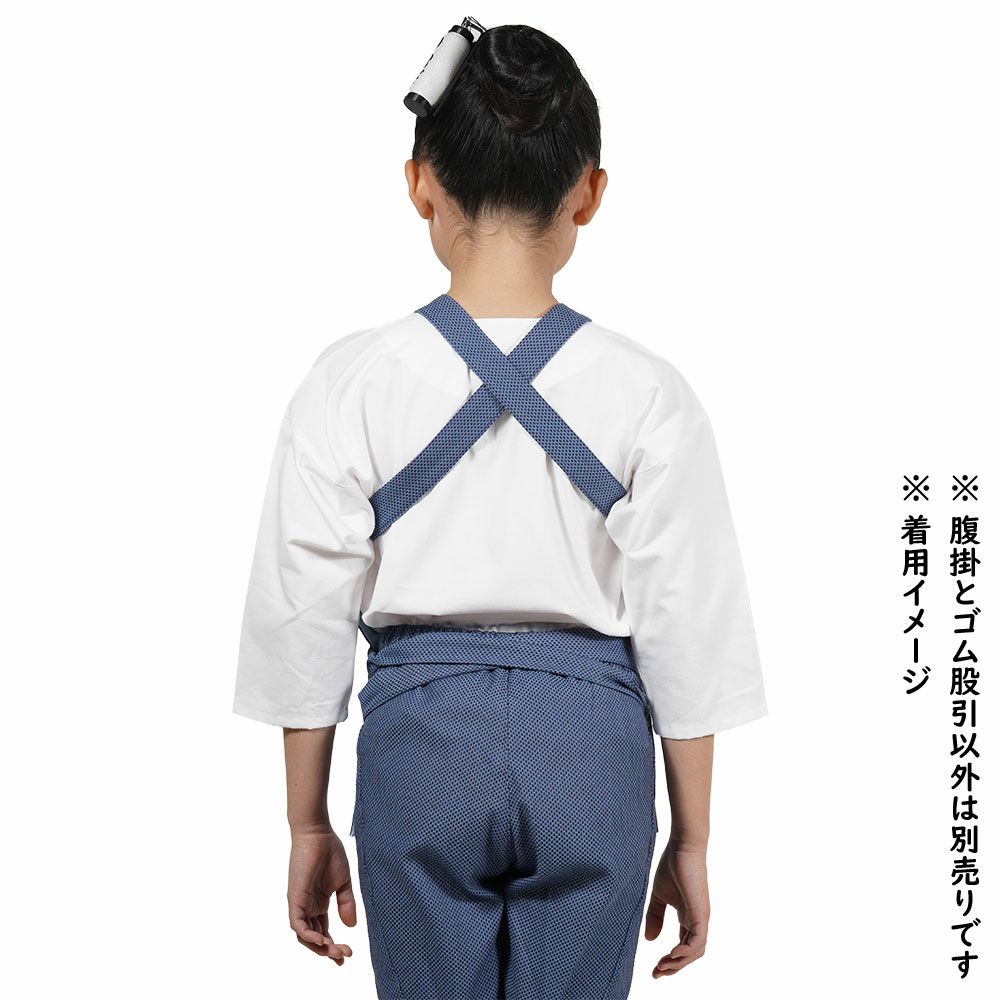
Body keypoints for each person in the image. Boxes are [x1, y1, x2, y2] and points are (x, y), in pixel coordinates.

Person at [233, 21, 768, 1000]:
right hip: (591, 756)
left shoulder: (351, 381)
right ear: (589, 193)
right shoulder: (649, 392)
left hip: (420, 751)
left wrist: (306, 821)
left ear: (419, 186)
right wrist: (692, 839)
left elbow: (300, 615)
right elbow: (691, 628)